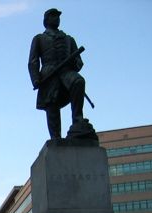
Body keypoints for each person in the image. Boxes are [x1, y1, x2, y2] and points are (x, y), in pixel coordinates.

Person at [28, 8, 86, 139]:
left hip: (66, 72)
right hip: (49, 73)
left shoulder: (68, 39)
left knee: (78, 81)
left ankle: (78, 120)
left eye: (57, 16)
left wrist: (74, 63)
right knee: (52, 104)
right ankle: (56, 137)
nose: (56, 19)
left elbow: (79, 62)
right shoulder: (39, 38)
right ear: (46, 20)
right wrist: (36, 78)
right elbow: (33, 61)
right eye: (53, 16)